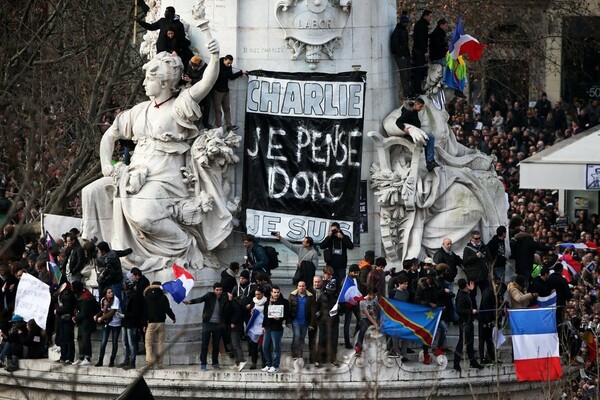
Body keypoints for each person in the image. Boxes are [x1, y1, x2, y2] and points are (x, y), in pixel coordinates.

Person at [81, 37, 233, 274]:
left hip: (165, 177)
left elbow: (205, 84)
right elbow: (109, 136)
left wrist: (214, 58)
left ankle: (185, 244)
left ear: (163, 83)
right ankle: (100, 256)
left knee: (143, 216)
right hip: (133, 174)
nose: (143, 83)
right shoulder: (140, 110)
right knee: (90, 193)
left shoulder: (179, 106)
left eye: (149, 79)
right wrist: (105, 164)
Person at [184, 282, 228, 371]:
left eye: (220, 290)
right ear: (214, 290)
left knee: (216, 345)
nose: (219, 292)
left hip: (218, 324)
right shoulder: (209, 295)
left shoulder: (224, 297)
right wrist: (190, 302)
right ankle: (203, 363)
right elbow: (200, 299)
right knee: (205, 344)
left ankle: (215, 363)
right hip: (207, 323)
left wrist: (230, 299)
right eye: (217, 290)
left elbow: (228, 307)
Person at [394, 97, 439, 172]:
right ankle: (430, 161)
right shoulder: (409, 112)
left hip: (416, 133)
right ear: (416, 104)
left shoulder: (414, 111)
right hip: (411, 136)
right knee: (430, 137)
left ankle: (430, 161)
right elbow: (398, 121)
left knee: (430, 138)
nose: (421, 108)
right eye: (420, 106)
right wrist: (404, 129)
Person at [143, 281, 176, 369]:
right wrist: (173, 318)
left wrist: (143, 324)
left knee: (148, 343)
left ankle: (149, 363)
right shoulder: (163, 297)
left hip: (151, 323)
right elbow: (167, 309)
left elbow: (144, 312)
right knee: (160, 344)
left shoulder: (147, 297)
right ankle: (160, 364)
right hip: (161, 322)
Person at [453, 279, 483, 372]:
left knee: (470, 342)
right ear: (465, 285)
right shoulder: (461, 297)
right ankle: (456, 363)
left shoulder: (464, 293)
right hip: (464, 323)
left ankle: (472, 361)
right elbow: (459, 310)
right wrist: (471, 311)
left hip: (468, 322)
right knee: (462, 343)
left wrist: (471, 290)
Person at [212, 55, 246, 131]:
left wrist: (241, 72)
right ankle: (219, 126)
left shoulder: (229, 67)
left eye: (230, 63)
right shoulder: (218, 65)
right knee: (218, 109)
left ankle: (229, 126)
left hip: (225, 90)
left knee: (227, 109)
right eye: (228, 63)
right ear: (224, 60)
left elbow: (231, 77)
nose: (229, 65)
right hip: (217, 90)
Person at [262, 286, 290, 373]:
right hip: (268, 327)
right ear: (271, 292)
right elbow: (265, 314)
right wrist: (263, 326)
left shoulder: (284, 301)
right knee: (265, 347)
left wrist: (280, 318)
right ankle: (268, 364)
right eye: (274, 292)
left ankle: (275, 365)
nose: (276, 294)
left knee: (276, 348)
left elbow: (287, 314)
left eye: (278, 292)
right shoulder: (267, 301)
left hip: (277, 328)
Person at [312, 279, 339, 367]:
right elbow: (316, 307)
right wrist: (317, 313)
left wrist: (340, 307)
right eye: (328, 290)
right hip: (323, 322)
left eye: (331, 290)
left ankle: (333, 359)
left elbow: (343, 311)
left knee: (333, 341)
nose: (330, 292)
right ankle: (318, 360)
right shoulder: (322, 296)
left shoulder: (337, 298)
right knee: (322, 341)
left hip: (334, 322)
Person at [320, 222, 354, 291]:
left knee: (341, 283)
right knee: (330, 283)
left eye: (335, 230)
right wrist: (329, 236)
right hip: (331, 266)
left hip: (341, 265)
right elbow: (322, 246)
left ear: (339, 229)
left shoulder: (344, 237)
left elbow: (351, 246)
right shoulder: (330, 238)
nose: (334, 232)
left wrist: (342, 237)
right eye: (332, 230)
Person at [462, 231, 492, 307]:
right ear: (471, 238)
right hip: (473, 276)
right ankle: (474, 312)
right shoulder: (467, 249)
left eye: (479, 238)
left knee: (486, 294)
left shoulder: (483, 247)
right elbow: (465, 261)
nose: (478, 240)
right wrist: (475, 257)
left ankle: (484, 312)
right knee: (472, 295)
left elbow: (490, 259)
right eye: (476, 238)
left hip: (483, 275)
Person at [94, 287, 122, 367]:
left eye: (111, 292)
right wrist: (97, 315)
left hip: (116, 323)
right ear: (105, 294)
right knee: (103, 342)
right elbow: (103, 310)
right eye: (109, 292)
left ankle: (112, 360)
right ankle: (100, 360)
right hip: (107, 323)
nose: (111, 293)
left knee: (114, 342)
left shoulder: (116, 299)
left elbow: (112, 312)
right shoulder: (103, 300)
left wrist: (101, 318)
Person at [120, 279, 145, 370]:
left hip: (131, 323)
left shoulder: (135, 296)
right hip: (125, 322)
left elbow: (135, 312)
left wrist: (124, 315)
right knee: (124, 342)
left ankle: (132, 361)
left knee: (131, 343)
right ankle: (126, 359)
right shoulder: (126, 295)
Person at [288, 281, 315, 360]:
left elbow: (312, 311)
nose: (301, 288)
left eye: (303, 286)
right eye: (300, 286)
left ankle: (300, 354)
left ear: (305, 287)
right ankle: (294, 354)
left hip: (305, 321)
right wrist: (288, 321)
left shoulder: (310, 297)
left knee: (302, 338)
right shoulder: (292, 296)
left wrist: (312, 323)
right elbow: (289, 309)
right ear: (297, 287)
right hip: (295, 320)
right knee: (297, 336)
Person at [182, 55, 211, 129]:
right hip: (193, 89)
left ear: (199, 65)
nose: (192, 68)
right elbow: (189, 73)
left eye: (194, 67)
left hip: (204, 90)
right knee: (195, 107)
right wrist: (185, 77)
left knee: (206, 108)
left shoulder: (205, 67)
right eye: (192, 66)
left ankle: (205, 124)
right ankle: (195, 124)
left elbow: (204, 81)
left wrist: (191, 80)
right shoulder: (190, 65)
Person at [72, 280, 96, 366]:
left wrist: (76, 318)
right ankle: (81, 357)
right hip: (82, 322)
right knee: (80, 338)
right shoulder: (81, 295)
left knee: (86, 339)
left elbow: (85, 312)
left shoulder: (86, 298)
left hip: (87, 322)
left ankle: (87, 358)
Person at [390, 12, 411, 98]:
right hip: (400, 56)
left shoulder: (402, 30)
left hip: (404, 55)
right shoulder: (398, 31)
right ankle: (406, 93)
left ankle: (408, 92)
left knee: (407, 74)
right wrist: (400, 54)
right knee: (404, 75)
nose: (406, 24)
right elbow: (395, 45)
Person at [411, 10, 432, 95]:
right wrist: (424, 51)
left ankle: (417, 88)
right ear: (425, 16)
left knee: (420, 71)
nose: (430, 18)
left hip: (418, 50)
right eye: (430, 16)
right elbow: (420, 40)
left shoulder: (421, 24)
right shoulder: (422, 25)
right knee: (418, 71)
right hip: (419, 51)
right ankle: (417, 89)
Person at [55, 282, 76, 364]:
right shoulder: (60, 295)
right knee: (63, 339)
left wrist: (57, 310)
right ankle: (63, 357)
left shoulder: (68, 295)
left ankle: (69, 358)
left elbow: (67, 308)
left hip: (67, 320)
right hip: (61, 319)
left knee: (68, 339)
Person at [354, 289, 379, 356]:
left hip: (374, 317)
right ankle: (358, 347)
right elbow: (367, 315)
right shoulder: (362, 301)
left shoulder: (375, 298)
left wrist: (377, 319)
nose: (374, 296)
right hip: (365, 318)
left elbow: (377, 308)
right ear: (369, 294)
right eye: (373, 295)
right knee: (363, 328)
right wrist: (375, 324)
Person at [342, 264, 361, 349]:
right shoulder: (345, 281)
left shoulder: (355, 279)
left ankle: (356, 338)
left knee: (360, 320)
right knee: (347, 324)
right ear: (350, 272)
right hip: (348, 305)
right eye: (355, 272)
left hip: (355, 303)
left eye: (357, 272)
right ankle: (347, 342)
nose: (356, 274)